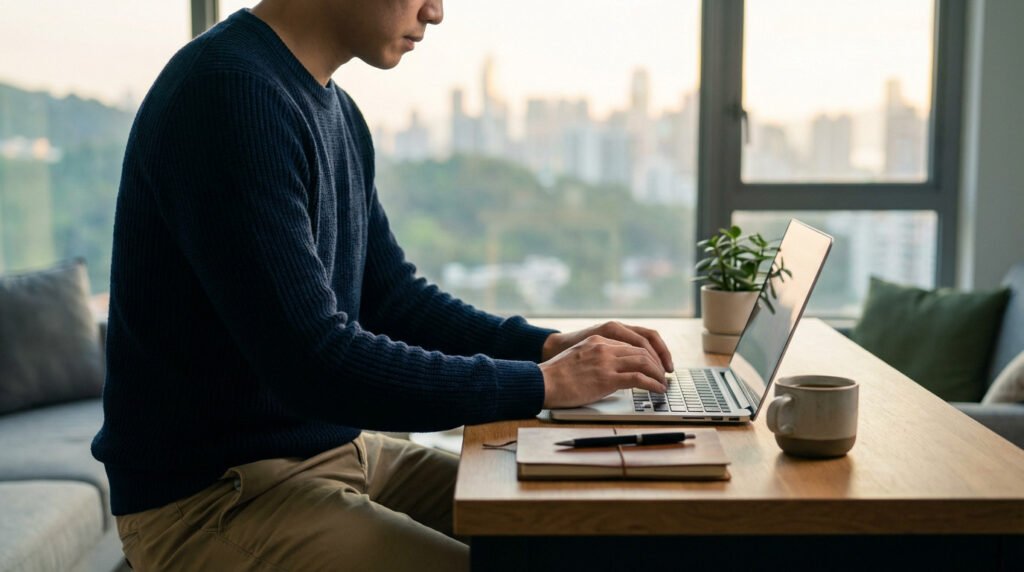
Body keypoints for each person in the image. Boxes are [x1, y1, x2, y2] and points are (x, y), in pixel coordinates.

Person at [92, 1, 674, 569]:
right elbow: (315, 362)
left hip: (334, 453)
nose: (436, 12)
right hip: (218, 499)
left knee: (576, 530)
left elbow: (391, 298)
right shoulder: (228, 94)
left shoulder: (335, 110)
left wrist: (546, 349)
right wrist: (542, 385)